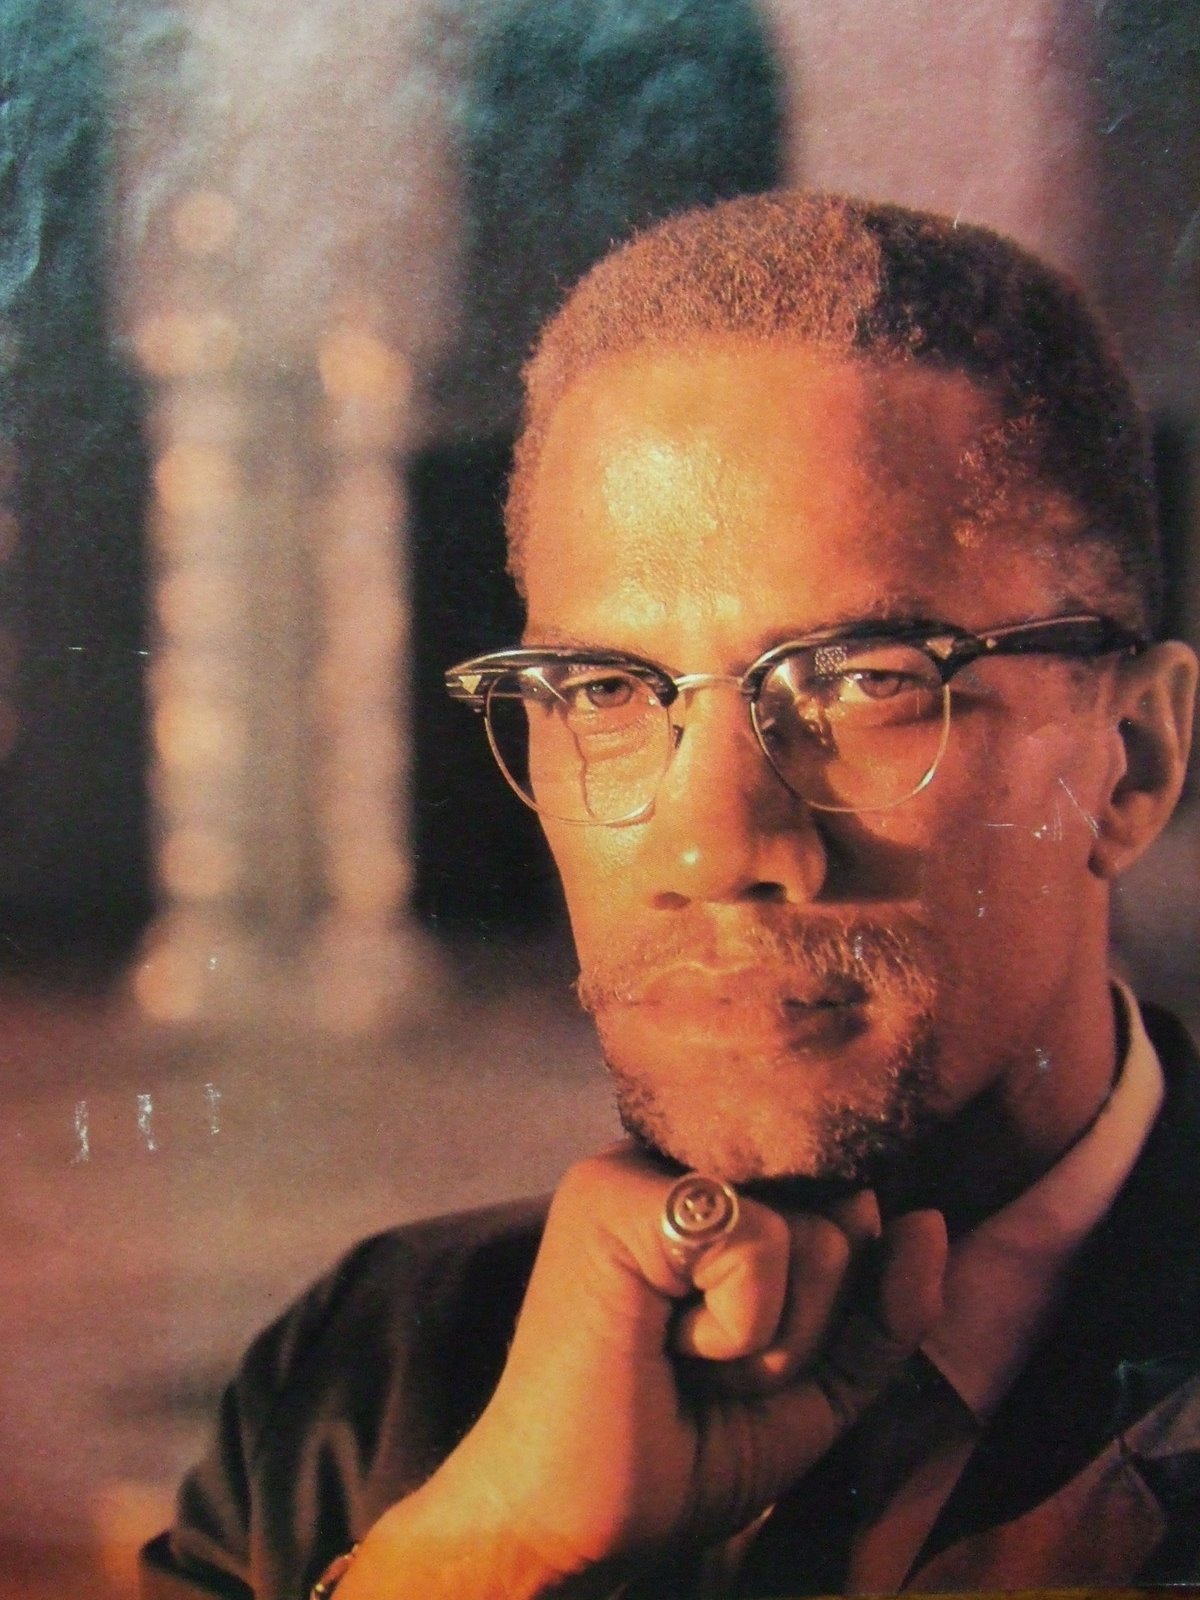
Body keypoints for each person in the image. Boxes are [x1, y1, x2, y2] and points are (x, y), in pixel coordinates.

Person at [141, 191, 1200, 1600]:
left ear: (1133, 762)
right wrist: (488, 1549)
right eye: (603, 690)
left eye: (863, 679)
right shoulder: (361, 1383)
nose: (711, 848)